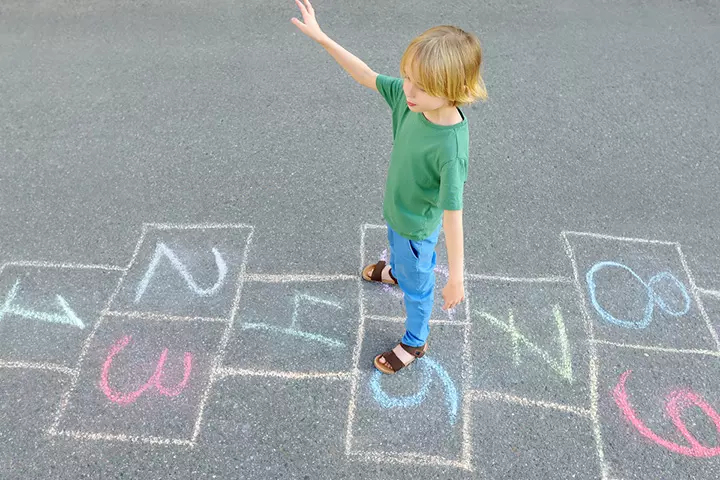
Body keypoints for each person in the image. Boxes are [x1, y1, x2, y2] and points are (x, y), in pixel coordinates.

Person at [291, 0, 487, 374]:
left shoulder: (451, 149)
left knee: (418, 288)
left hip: (416, 230)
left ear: (454, 90)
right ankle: (396, 270)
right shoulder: (412, 100)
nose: (407, 90)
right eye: (407, 77)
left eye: (421, 86)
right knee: (396, 249)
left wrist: (458, 276)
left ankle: (415, 341)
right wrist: (322, 38)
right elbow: (365, 74)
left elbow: (453, 216)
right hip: (397, 212)